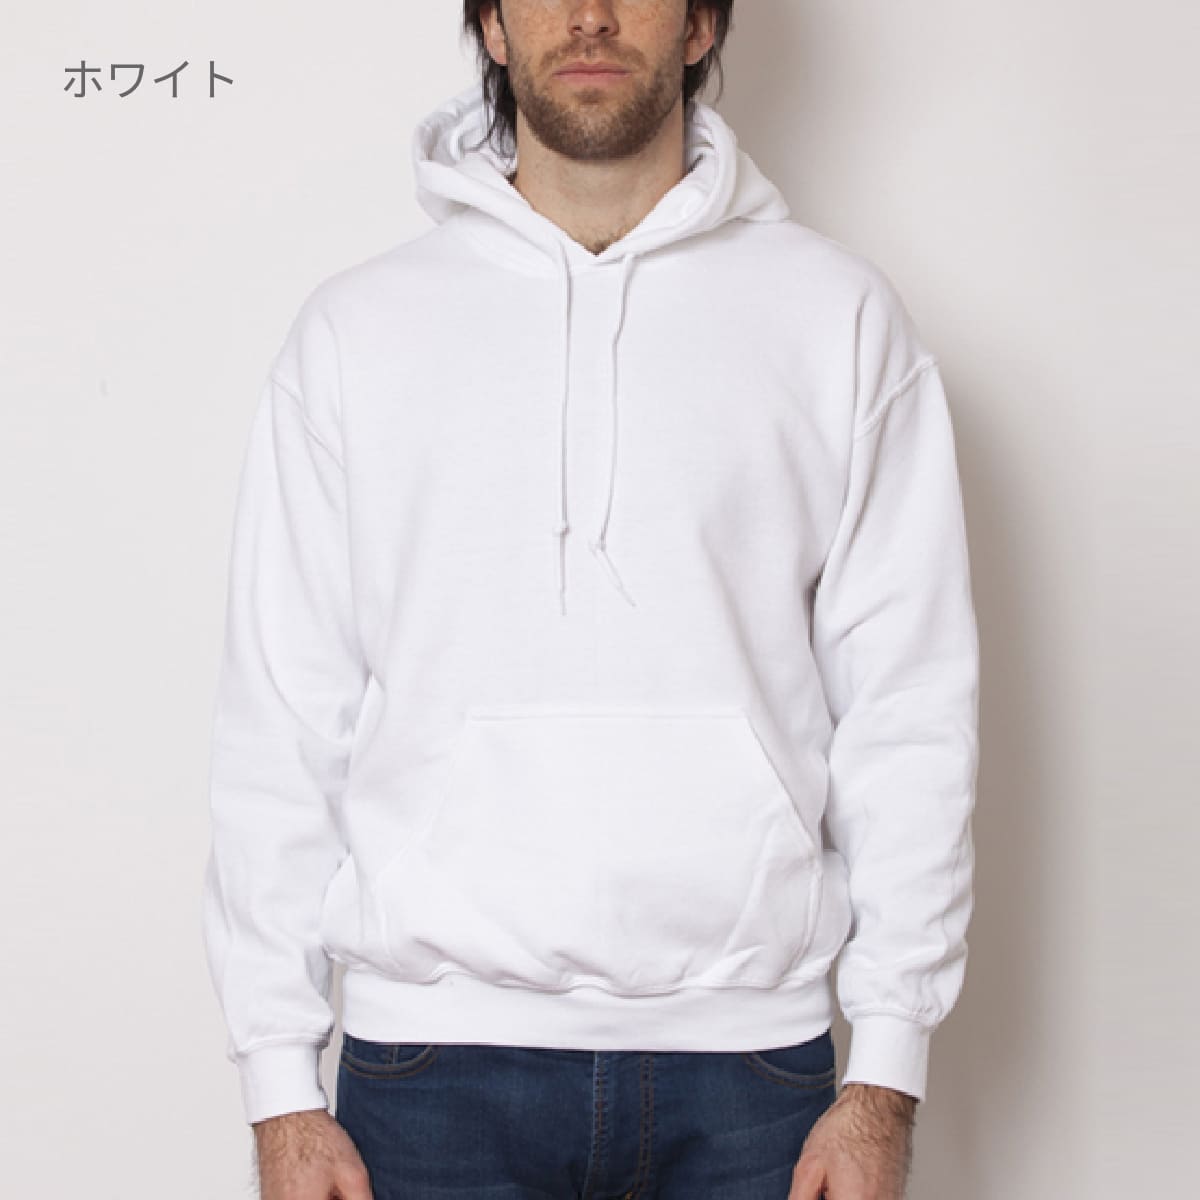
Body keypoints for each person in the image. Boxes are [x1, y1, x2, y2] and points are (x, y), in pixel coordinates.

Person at [200, 2, 980, 1198]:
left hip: (753, 1070)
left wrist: (886, 1074)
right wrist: (279, 1088)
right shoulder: (356, 334)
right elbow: (281, 721)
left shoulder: (839, 319)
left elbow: (910, 709)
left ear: (702, 25)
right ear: (492, 27)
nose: (591, 14)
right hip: (430, 1067)